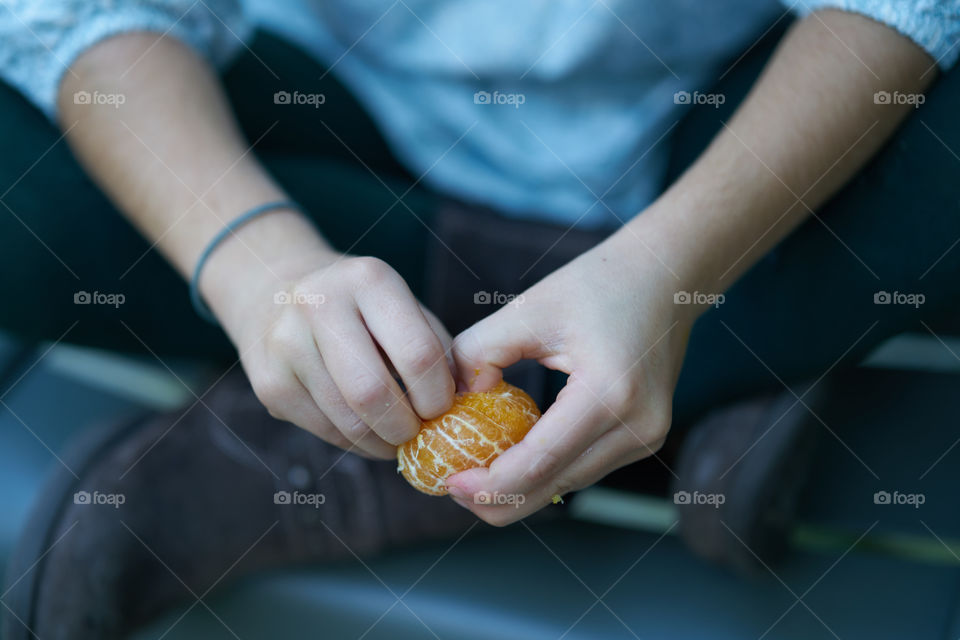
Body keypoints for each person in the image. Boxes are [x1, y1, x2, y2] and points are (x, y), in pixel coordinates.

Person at [1, 1, 958, 636]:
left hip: (745, 127)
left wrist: (673, 270)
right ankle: (739, 356)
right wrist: (257, 266)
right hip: (342, 143)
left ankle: (352, 447)